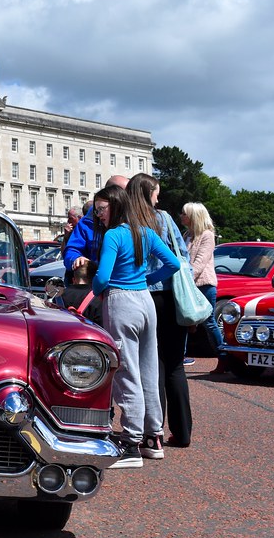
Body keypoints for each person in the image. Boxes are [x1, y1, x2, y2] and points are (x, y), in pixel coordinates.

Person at [90, 184, 180, 469]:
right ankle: (153, 437)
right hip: (145, 301)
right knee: (149, 370)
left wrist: (95, 289)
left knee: (126, 371)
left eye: (101, 209)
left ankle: (130, 441)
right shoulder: (145, 232)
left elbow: (103, 277)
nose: (98, 214)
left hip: (121, 300)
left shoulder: (114, 235)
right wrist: (149, 278)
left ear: (114, 207)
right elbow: (174, 263)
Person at [127, 173, 193, 450]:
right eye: (156, 192)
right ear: (148, 193)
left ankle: (153, 432)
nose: (159, 197)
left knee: (152, 366)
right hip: (171, 295)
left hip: (143, 296)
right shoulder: (164, 219)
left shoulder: (128, 222)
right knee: (175, 366)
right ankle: (183, 432)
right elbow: (182, 257)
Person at [181, 201, 225, 373]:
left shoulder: (207, 235)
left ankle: (223, 357)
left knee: (209, 323)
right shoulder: (186, 235)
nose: (182, 216)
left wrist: (185, 281)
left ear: (193, 216)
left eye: (184, 213)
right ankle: (180, 357)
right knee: (182, 321)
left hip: (203, 285)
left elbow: (199, 263)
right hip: (189, 285)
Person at [64, 175, 129, 284]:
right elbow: (72, 251)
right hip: (96, 290)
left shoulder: (135, 223)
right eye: (125, 192)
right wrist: (76, 259)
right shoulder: (87, 223)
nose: (129, 197)